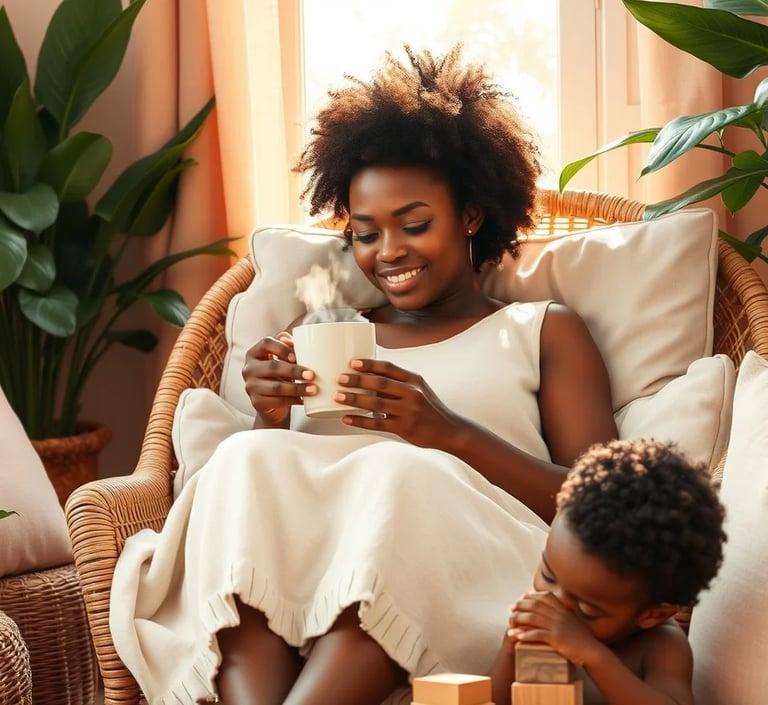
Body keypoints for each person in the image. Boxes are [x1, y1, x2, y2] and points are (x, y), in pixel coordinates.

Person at [109, 45, 617, 705]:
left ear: (470, 214)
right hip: (308, 577)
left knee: (400, 474)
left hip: (467, 565)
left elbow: (601, 515)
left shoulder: (543, 331)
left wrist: (448, 433)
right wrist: (268, 414)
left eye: (413, 224)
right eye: (366, 233)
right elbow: (281, 501)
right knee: (244, 459)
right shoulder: (326, 332)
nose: (389, 253)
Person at [490, 438, 726, 705]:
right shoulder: (540, 635)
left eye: (586, 609)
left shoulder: (660, 646)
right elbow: (496, 700)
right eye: (547, 575)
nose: (555, 603)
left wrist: (590, 654)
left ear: (653, 614)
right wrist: (509, 650)